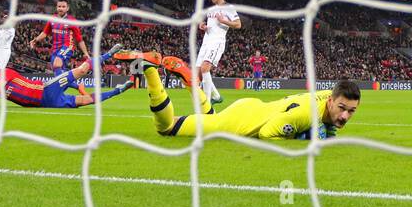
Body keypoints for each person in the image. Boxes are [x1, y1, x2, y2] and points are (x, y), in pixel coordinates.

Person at [132, 58, 358, 140]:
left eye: (351, 111)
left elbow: (332, 100)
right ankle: (151, 71)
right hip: (240, 123)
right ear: (330, 101)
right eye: (342, 108)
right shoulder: (306, 114)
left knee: (210, 118)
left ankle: (192, 82)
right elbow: (268, 133)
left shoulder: (327, 95)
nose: (345, 115)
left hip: (252, 107)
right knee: (167, 127)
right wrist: (301, 136)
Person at [0, 46, 130, 110]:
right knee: (86, 101)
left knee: (81, 70)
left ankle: (108, 54)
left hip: (46, 89)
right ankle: (118, 90)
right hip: (47, 102)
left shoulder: (5, 73)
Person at [195, 0, 239, 103]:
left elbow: (238, 24)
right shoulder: (211, 9)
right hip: (206, 41)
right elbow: (208, 24)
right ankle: (216, 96)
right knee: (198, 74)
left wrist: (224, 21)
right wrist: (202, 26)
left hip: (217, 42)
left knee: (205, 68)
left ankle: (207, 104)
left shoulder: (228, 8)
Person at [29, 0, 89, 74]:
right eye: (59, 6)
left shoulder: (72, 21)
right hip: (55, 48)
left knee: (57, 64)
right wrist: (35, 40)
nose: (61, 8)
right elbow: (44, 33)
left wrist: (85, 53)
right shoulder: (52, 19)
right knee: (57, 72)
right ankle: (77, 85)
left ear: (67, 8)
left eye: (63, 7)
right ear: (56, 7)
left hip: (67, 47)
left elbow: (79, 39)